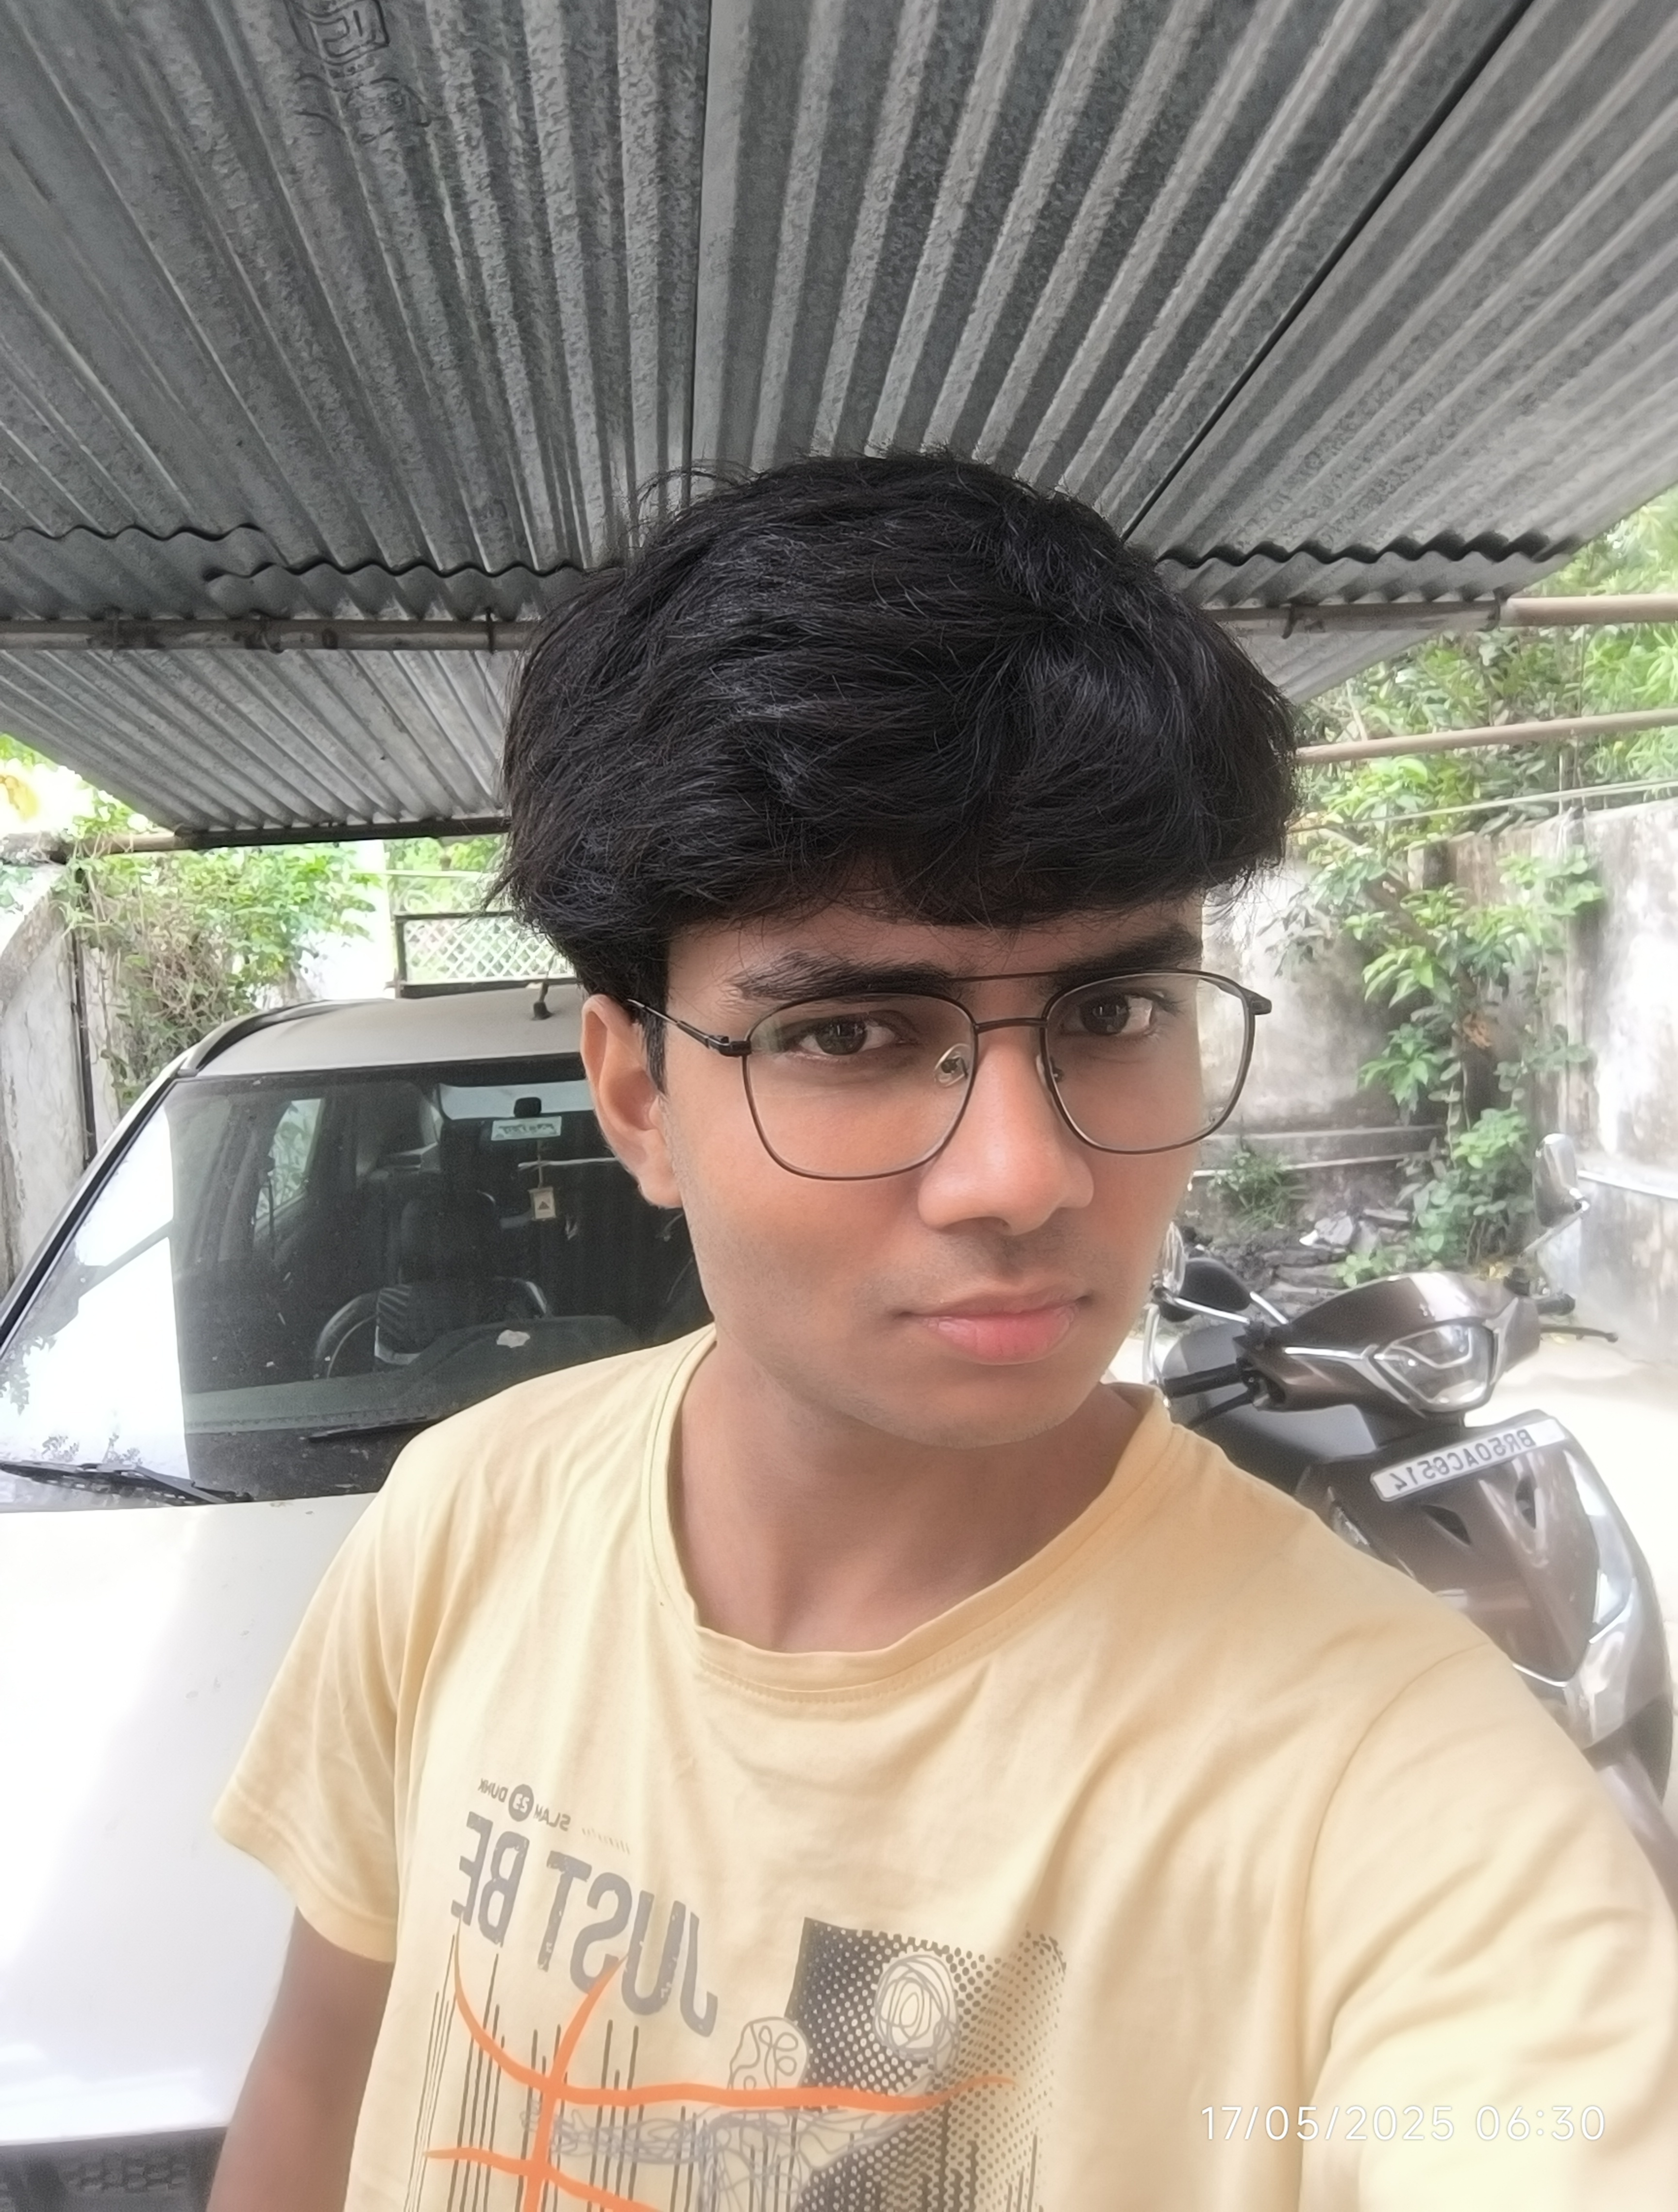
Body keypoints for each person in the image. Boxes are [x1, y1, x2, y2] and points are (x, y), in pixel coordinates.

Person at [209, 455, 1678, 2212]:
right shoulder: (469, 1516)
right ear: (639, 1097)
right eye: (851, 1033)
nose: (1023, 1175)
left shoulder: (1401, 1789)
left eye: (1113, 1009)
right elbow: (318, 2083)